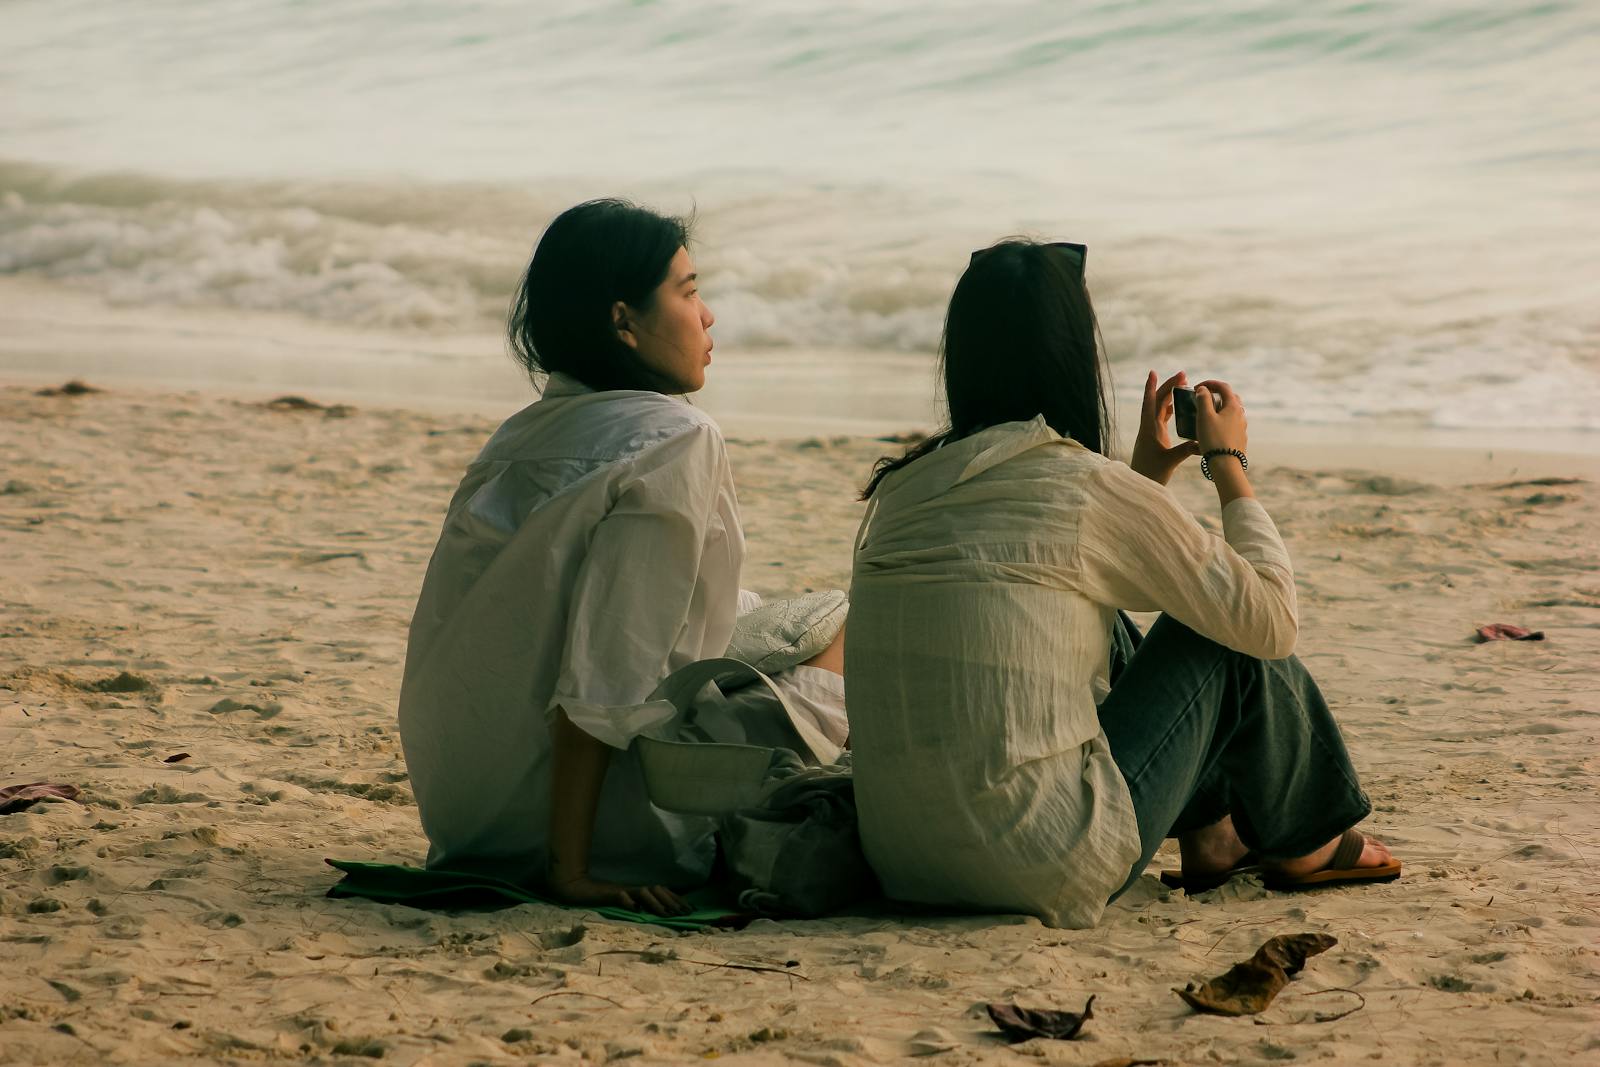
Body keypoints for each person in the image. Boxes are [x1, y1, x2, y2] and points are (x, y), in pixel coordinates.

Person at [845, 239, 1400, 929]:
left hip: (905, 860)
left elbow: (1082, 580)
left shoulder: (903, 491)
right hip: (1042, 860)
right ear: (1074, 355)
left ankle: (1213, 832)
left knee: (1101, 618)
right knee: (1221, 636)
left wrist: (1145, 480)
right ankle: (1306, 839)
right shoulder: (1082, 488)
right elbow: (1270, 620)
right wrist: (1227, 460)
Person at [398, 200, 847, 918]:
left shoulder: (522, 432)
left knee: (799, 617)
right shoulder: (678, 438)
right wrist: (569, 871)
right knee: (843, 634)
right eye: (690, 291)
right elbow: (602, 678)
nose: (708, 318)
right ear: (622, 321)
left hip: (469, 815)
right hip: (587, 829)